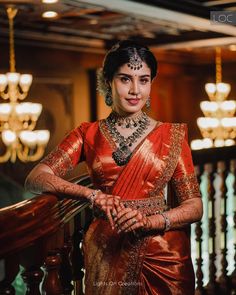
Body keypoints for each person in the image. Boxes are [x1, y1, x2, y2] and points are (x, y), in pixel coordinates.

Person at [25, 40, 203, 295]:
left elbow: (194, 206)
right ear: (108, 81)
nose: (135, 90)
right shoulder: (87, 134)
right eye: (125, 79)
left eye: (144, 80)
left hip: (164, 255)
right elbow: (36, 178)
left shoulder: (171, 135)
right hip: (107, 250)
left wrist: (152, 221)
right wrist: (91, 195)